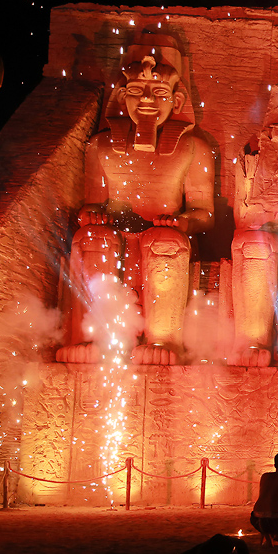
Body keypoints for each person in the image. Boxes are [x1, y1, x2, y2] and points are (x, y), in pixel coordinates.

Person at [58, 34, 215, 366]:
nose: (146, 101)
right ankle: (98, 337)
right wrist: (92, 215)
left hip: (164, 236)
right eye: (136, 91)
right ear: (121, 96)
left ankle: (163, 340)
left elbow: (205, 214)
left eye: (159, 93)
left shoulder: (192, 148)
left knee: (165, 241)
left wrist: (183, 221)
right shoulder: (100, 147)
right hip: (117, 236)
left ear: (177, 100)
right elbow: (91, 205)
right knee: (92, 237)